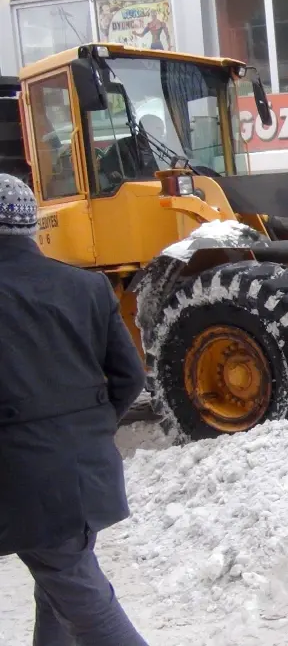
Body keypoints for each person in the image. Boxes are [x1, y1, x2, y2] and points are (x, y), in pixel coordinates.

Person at [0, 174, 149, 645]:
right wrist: (87, 429)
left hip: (23, 478)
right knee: (61, 582)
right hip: (84, 469)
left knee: (81, 600)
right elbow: (130, 377)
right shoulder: (86, 287)